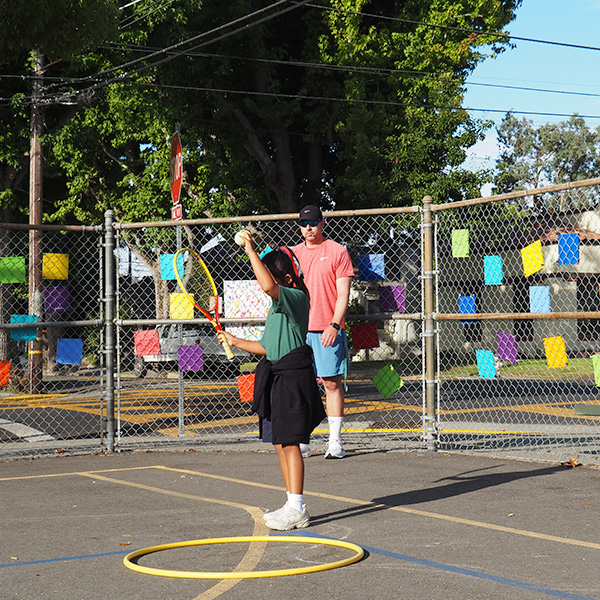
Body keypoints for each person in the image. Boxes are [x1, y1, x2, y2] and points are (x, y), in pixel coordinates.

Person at [219, 232, 326, 531]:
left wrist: (250, 249)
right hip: (277, 373)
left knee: (291, 442)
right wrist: (236, 341)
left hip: (293, 375)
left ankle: (298, 508)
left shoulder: (296, 298)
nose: (264, 285)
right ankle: (291, 502)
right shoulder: (277, 306)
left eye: (272, 278)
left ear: (289, 279)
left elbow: (267, 285)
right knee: (280, 442)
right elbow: (267, 346)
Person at [293, 205, 354, 459]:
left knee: (331, 383)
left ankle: (335, 442)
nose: (308, 227)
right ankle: (302, 439)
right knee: (299, 385)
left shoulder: (338, 251)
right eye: (304, 223)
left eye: (313, 222)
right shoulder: (292, 254)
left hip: (327, 329)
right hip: (297, 330)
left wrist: (334, 324)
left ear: (322, 223)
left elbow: (343, 295)